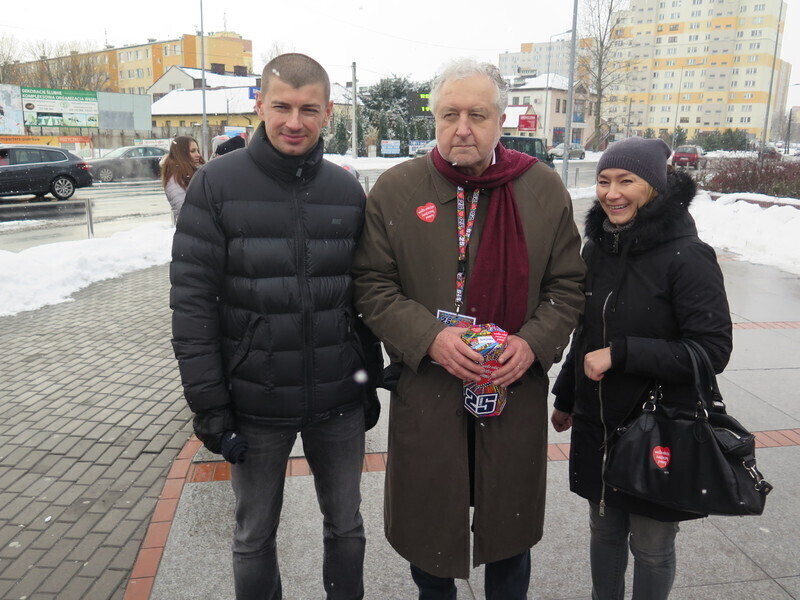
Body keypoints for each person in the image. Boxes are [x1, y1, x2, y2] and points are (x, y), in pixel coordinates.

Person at [352, 58, 585, 598]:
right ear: (432, 119)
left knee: (510, 533)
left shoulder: (543, 190)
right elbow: (372, 285)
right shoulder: (398, 189)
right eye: (450, 114)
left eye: (477, 115)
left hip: (511, 387)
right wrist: (428, 337)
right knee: (430, 532)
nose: (463, 128)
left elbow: (568, 286)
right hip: (430, 390)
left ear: (501, 121)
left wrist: (533, 344)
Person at [170, 53, 371, 600]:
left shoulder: (347, 191)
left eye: (309, 109)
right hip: (253, 403)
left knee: (347, 526)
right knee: (254, 534)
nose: (294, 121)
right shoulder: (215, 185)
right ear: (259, 104)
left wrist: (368, 376)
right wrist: (211, 407)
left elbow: (367, 294)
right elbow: (192, 308)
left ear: (328, 111)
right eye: (281, 106)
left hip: (337, 400)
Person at [550, 137, 733, 600]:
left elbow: (711, 350)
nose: (612, 193)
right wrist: (568, 396)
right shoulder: (598, 250)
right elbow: (587, 334)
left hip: (660, 427)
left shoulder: (688, 256)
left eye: (626, 181)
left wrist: (625, 353)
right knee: (604, 531)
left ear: (653, 186)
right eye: (605, 181)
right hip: (599, 421)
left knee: (651, 546)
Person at [161, 135, 204, 221]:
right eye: (193, 151)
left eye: (197, 150)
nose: (198, 155)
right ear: (181, 153)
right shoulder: (175, 179)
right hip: (194, 229)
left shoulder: (193, 172)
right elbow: (185, 212)